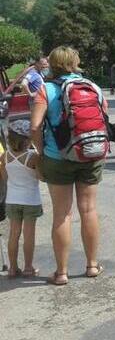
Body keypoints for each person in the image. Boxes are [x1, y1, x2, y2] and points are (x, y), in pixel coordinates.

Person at [30, 46, 107, 286]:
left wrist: (42, 153)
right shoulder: (92, 86)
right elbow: (103, 116)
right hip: (90, 154)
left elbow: (34, 127)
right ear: (75, 62)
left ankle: (61, 273)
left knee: (62, 214)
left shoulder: (46, 89)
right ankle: (92, 266)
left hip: (57, 157)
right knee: (88, 210)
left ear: (51, 64)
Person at [0, 120, 43, 279]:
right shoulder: (33, 157)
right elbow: (41, 177)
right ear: (28, 140)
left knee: (14, 233)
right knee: (29, 235)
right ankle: (28, 267)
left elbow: (4, 177)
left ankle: (12, 268)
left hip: (12, 200)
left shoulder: (5, 156)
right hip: (30, 200)